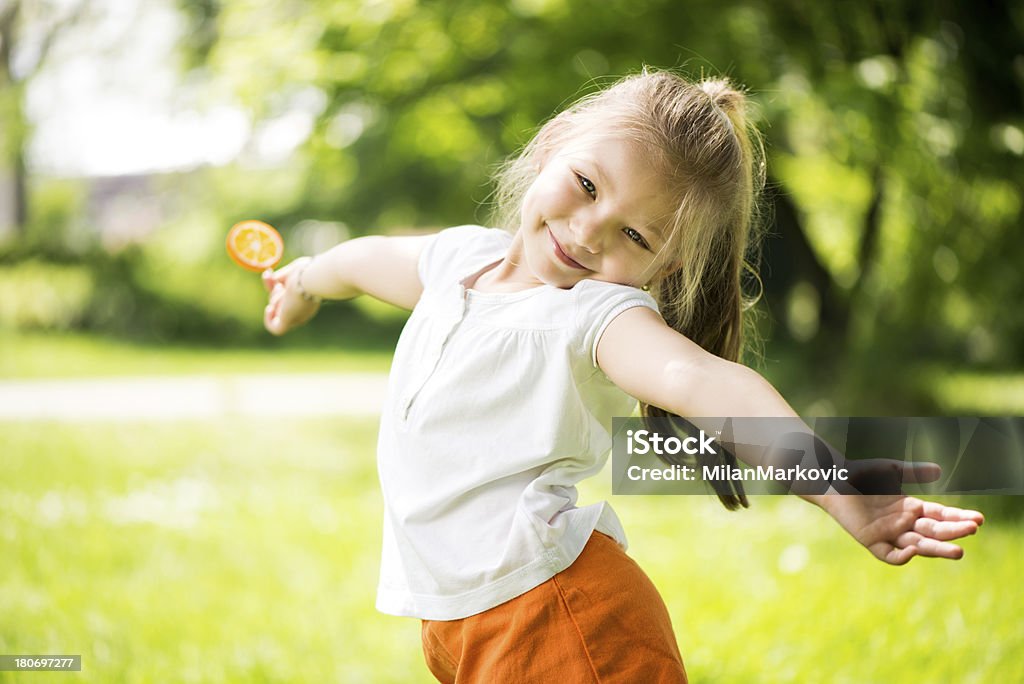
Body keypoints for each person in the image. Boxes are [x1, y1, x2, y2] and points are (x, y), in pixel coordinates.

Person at [260, 69, 983, 682]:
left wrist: (836, 489)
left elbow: (705, 382)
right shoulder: (458, 262)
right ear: (552, 145)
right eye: (585, 185)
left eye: (634, 235)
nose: (588, 231)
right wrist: (303, 282)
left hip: (558, 621)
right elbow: (359, 261)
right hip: (463, 622)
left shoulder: (596, 316)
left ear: (662, 269)